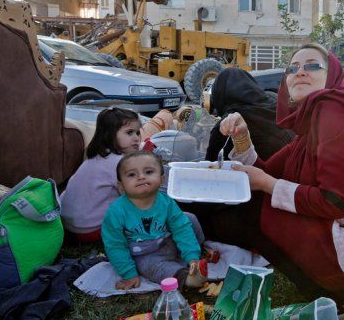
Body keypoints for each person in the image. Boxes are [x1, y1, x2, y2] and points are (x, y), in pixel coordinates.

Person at [203, 43, 344, 305]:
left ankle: (337, 295)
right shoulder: (313, 125)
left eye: (312, 66)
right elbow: (266, 172)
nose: (300, 72)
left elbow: (331, 201)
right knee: (259, 201)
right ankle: (329, 290)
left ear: (333, 75)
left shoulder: (335, 112)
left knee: (256, 209)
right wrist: (242, 137)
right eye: (292, 68)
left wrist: (268, 184)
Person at [102, 151, 206, 290]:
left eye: (149, 172)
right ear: (121, 187)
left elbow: (181, 229)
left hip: (168, 241)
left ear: (162, 179)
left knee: (188, 218)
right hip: (144, 254)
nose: (141, 177)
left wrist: (192, 255)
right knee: (150, 267)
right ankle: (185, 277)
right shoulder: (116, 212)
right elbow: (115, 245)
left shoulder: (166, 202)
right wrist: (128, 273)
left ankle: (197, 257)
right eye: (132, 174)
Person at [60, 107, 141, 242]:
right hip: (90, 229)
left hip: (67, 223)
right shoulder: (120, 163)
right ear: (110, 134)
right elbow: (135, 197)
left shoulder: (98, 156)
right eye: (129, 132)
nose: (136, 138)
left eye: (138, 133)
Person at [204, 68, 293, 162]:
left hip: (259, 169)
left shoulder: (228, 123)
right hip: (291, 163)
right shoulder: (274, 101)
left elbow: (209, 164)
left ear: (218, 93)